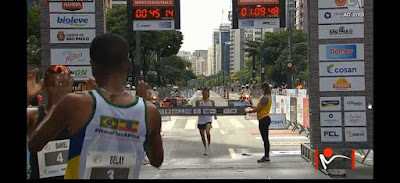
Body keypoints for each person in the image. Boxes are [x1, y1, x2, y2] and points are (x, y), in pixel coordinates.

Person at [28, 34, 163, 179]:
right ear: (128, 66)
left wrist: (57, 103)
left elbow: (34, 145)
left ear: (93, 66)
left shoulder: (75, 103)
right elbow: (156, 160)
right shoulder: (150, 112)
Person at [27, 65, 72, 179]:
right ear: (45, 87)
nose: (58, 88)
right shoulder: (34, 114)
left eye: (62, 84)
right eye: (53, 84)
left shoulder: (79, 113)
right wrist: (28, 98)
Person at [246, 82, 272, 163]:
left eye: (262, 88)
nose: (261, 90)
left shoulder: (265, 98)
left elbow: (258, 109)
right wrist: (250, 106)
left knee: (265, 139)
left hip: (263, 119)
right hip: (265, 118)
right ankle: (266, 155)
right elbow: (259, 107)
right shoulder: (268, 97)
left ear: (265, 88)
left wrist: (249, 111)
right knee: (265, 138)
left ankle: (266, 156)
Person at [195, 87, 217, 155]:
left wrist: (215, 115)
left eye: (206, 92)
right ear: (202, 93)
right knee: (202, 135)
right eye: (204, 92)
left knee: (207, 132)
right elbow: (196, 109)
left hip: (208, 119)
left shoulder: (211, 102)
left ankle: (209, 145)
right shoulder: (198, 102)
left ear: (208, 93)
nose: (205, 93)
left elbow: (214, 109)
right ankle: (205, 148)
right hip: (201, 119)